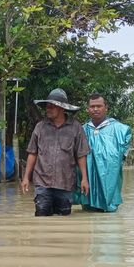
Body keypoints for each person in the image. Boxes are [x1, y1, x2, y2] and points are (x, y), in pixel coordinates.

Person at [21, 88, 90, 216]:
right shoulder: (40, 127)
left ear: (62, 108)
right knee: (41, 216)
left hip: (65, 182)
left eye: (52, 106)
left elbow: (81, 154)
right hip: (42, 182)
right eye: (47, 106)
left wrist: (84, 179)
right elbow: (32, 153)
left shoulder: (76, 128)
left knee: (63, 218)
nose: (48, 109)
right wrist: (26, 177)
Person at [74, 94, 132, 212]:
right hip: (87, 183)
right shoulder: (81, 130)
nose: (95, 109)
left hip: (109, 183)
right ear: (87, 109)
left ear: (106, 107)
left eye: (99, 106)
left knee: (110, 221)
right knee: (87, 215)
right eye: (92, 106)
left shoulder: (121, 130)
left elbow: (123, 154)